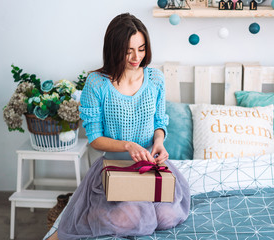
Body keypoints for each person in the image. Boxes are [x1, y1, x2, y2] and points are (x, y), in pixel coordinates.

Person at [45, 13, 190, 240]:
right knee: (133, 218)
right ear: (114, 48)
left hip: (149, 167)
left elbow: (160, 123)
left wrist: (159, 142)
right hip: (115, 168)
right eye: (128, 50)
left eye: (141, 49)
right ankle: (86, 218)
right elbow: (94, 138)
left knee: (167, 216)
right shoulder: (96, 83)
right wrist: (128, 146)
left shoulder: (156, 79)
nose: (136, 57)